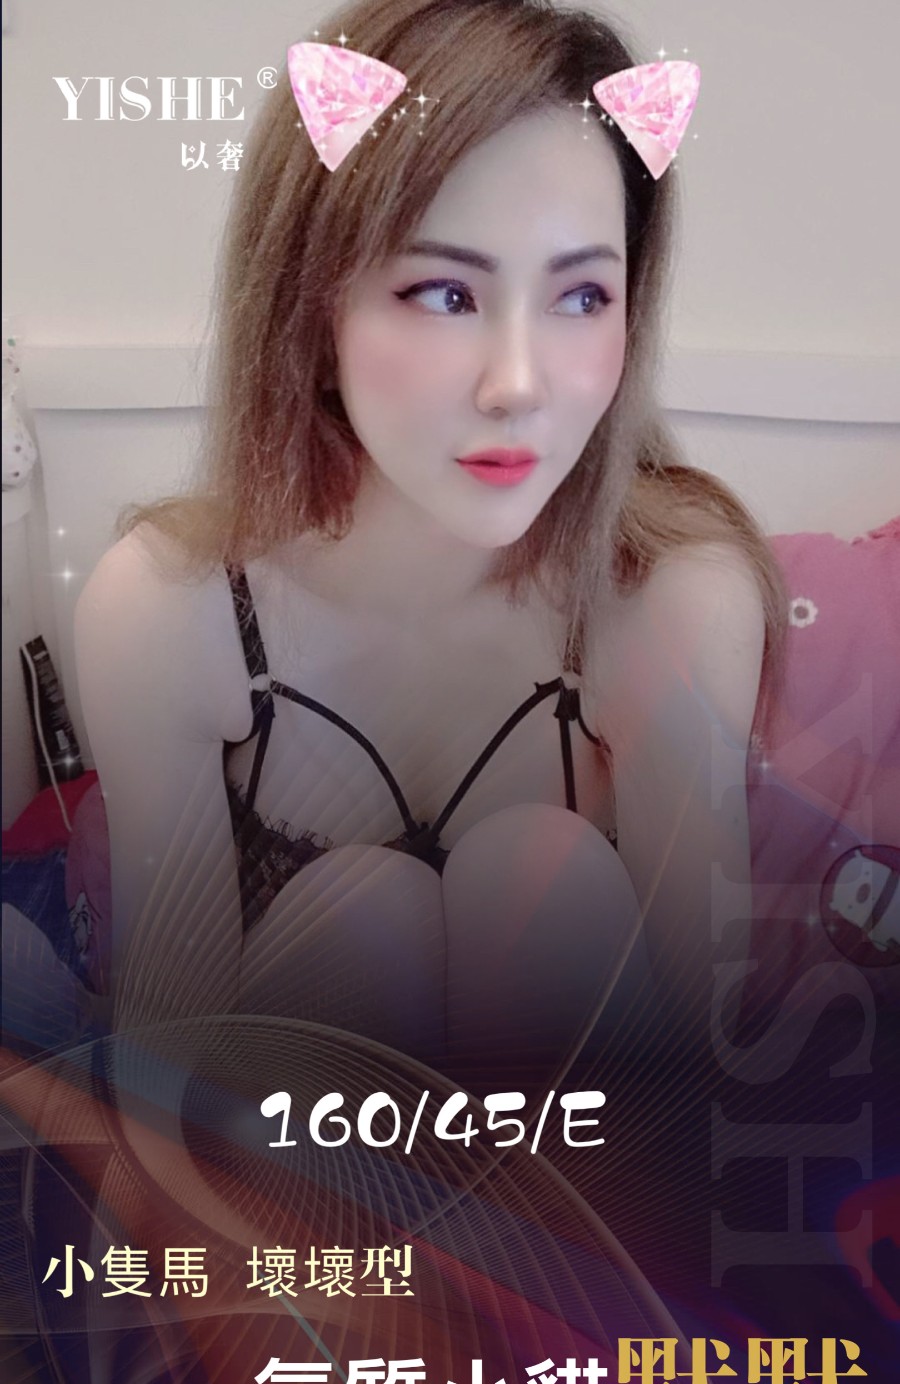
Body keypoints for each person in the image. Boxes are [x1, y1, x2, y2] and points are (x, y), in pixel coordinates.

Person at [75, 0, 785, 1079]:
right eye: (445, 292)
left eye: (582, 295)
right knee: (364, 915)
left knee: (537, 876)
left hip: (587, 1170)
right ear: (312, 307)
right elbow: (169, 1067)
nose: (518, 385)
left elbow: (700, 1077)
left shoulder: (670, 600)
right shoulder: (171, 613)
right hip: (299, 1175)